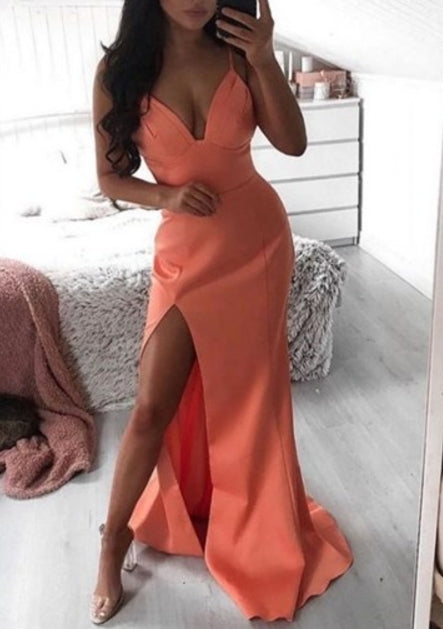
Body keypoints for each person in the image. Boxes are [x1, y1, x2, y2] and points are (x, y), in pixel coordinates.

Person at [90, 0, 353, 624]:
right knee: (151, 406)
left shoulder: (240, 52)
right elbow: (110, 179)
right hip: (185, 251)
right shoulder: (120, 70)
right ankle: (112, 542)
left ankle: (251, 525)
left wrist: (263, 58)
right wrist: (167, 195)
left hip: (256, 244)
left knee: (251, 401)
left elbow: (293, 144)